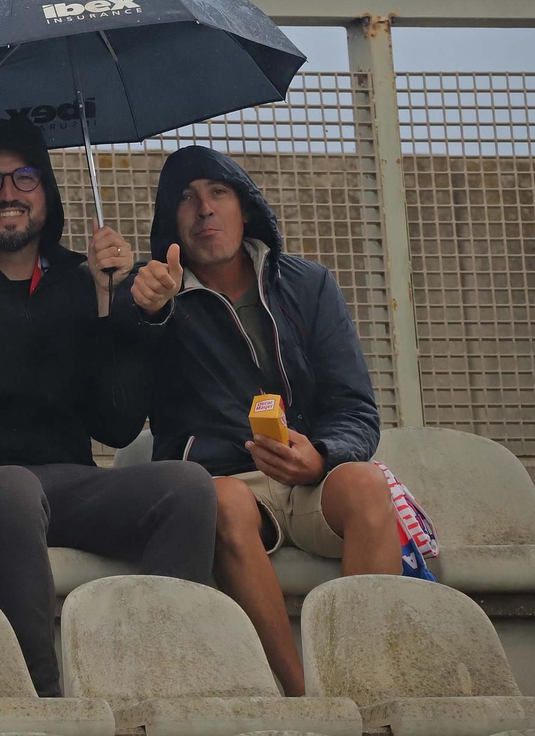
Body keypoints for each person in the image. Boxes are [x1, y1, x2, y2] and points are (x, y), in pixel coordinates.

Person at [0, 116, 218, 698]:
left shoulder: (80, 278)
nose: (9, 193)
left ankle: (155, 688)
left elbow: (115, 425)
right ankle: (38, 704)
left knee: (186, 487)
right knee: (14, 490)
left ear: (48, 191)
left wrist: (127, 312)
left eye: (25, 177)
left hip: (59, 482)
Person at [115, 145, 398, 696]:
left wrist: (322, 455)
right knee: (220, 502)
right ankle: (301, 699)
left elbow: (357, 408)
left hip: (312, 473)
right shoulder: (156, 297)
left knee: (367, 484)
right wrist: (144, 314)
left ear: (246, 207)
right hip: (226, 482)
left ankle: (366, 692)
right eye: (186, 200)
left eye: (218, 193)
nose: (204, 210)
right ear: (169, 221)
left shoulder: (307, 284)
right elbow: (119, 406)